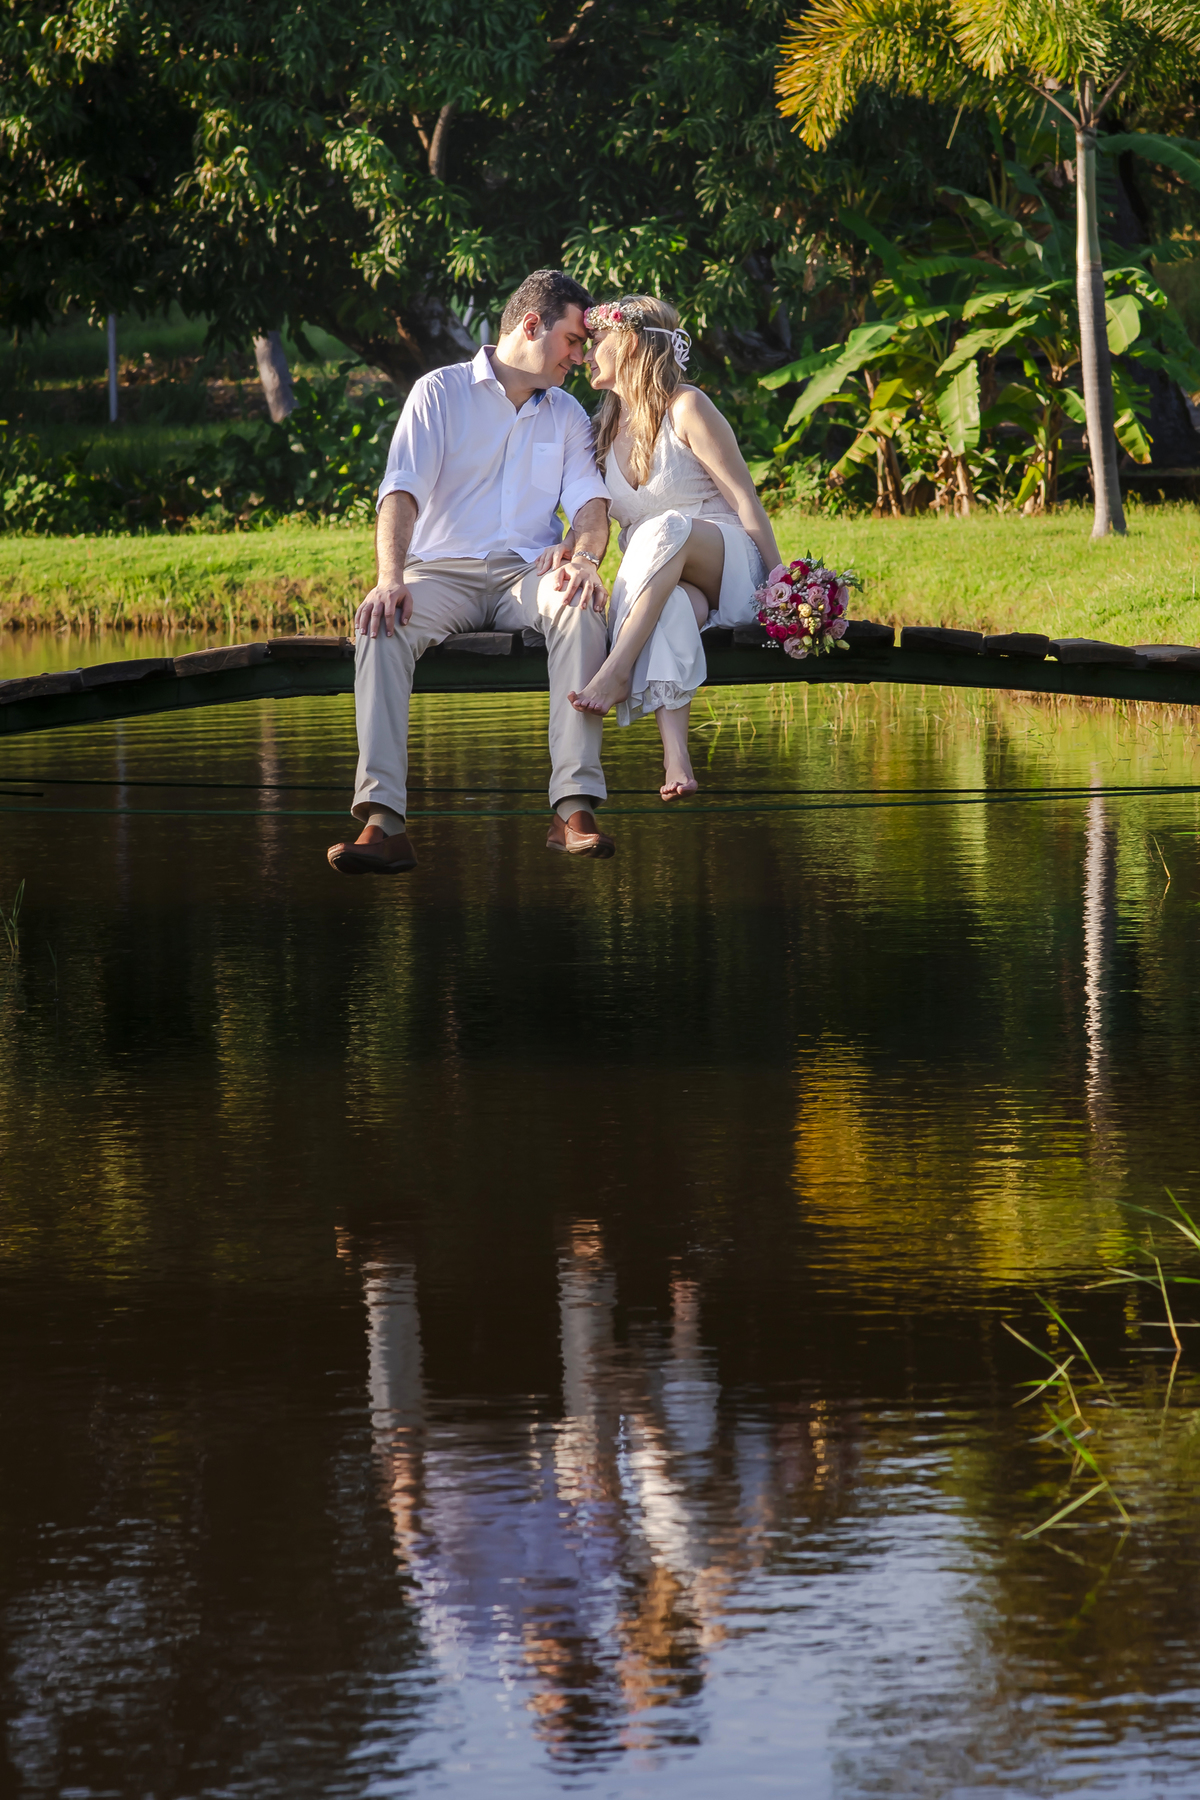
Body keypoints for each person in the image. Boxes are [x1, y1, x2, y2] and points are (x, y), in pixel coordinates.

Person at [326, 269, 617, 873]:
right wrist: (391, 578)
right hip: (442, 574)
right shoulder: (439, 392)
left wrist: (585, 559)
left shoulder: (566, 414)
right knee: (381, 623)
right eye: (572, 340)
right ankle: (383, 823)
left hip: (525, 577)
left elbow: (591, 505)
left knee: (579, 600)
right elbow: (400, 492)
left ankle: (572, 809)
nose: (580, 355)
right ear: (532, 325)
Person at [559, 295, 781, 801]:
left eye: (596, 343)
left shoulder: (687, 406)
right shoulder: (602, 429)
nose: (586, 355)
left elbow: (745, 499)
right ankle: (676, 758)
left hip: (726, 562)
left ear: (630, 342)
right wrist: (567, 550)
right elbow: (588, 513)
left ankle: (616, 671)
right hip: (663, 580)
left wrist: (782, 583)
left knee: (666, 527)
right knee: (675, 608)